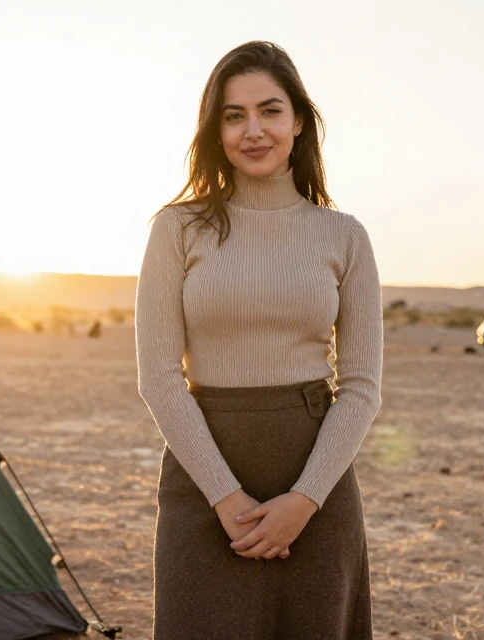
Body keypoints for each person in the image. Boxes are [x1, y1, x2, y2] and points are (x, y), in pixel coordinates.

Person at [135, 40, 384, 639]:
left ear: (299, 121)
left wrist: (303, 502)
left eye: (270, 111)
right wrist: (228, 500)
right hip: (204, 480)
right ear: (215, 131)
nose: (254, 130)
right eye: (234, 115)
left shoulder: (344, 237)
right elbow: (161, 379)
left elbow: (361, 388)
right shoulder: (177, 229)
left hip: (317, 484)